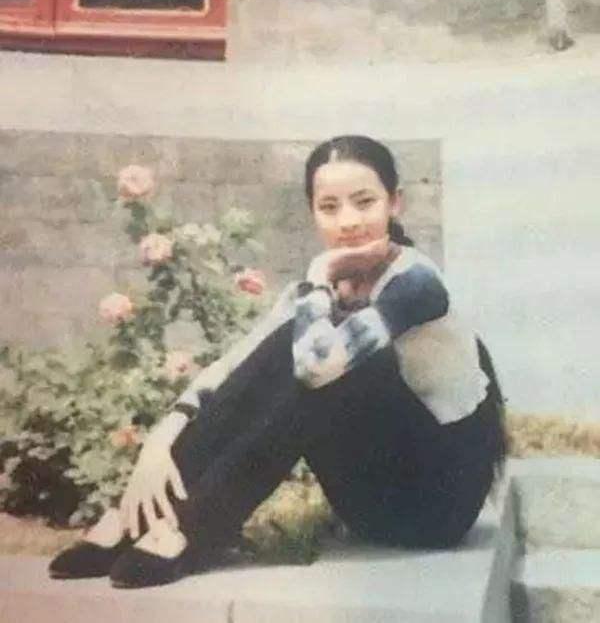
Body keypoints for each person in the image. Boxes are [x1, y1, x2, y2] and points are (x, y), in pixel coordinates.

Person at [49, 135, 505, 588]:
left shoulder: (417, 284)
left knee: (320, 356)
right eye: (329, 207)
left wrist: (319, 277)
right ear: (313, 213)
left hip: (436, 505)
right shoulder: (314, 296)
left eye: (365, 202)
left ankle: (195, 525)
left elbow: (315, 366)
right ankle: (138, 516)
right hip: (368, 501)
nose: (348, 221)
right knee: (291, 340)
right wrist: (161, 438)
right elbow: (235, 366)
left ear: (395, 203)